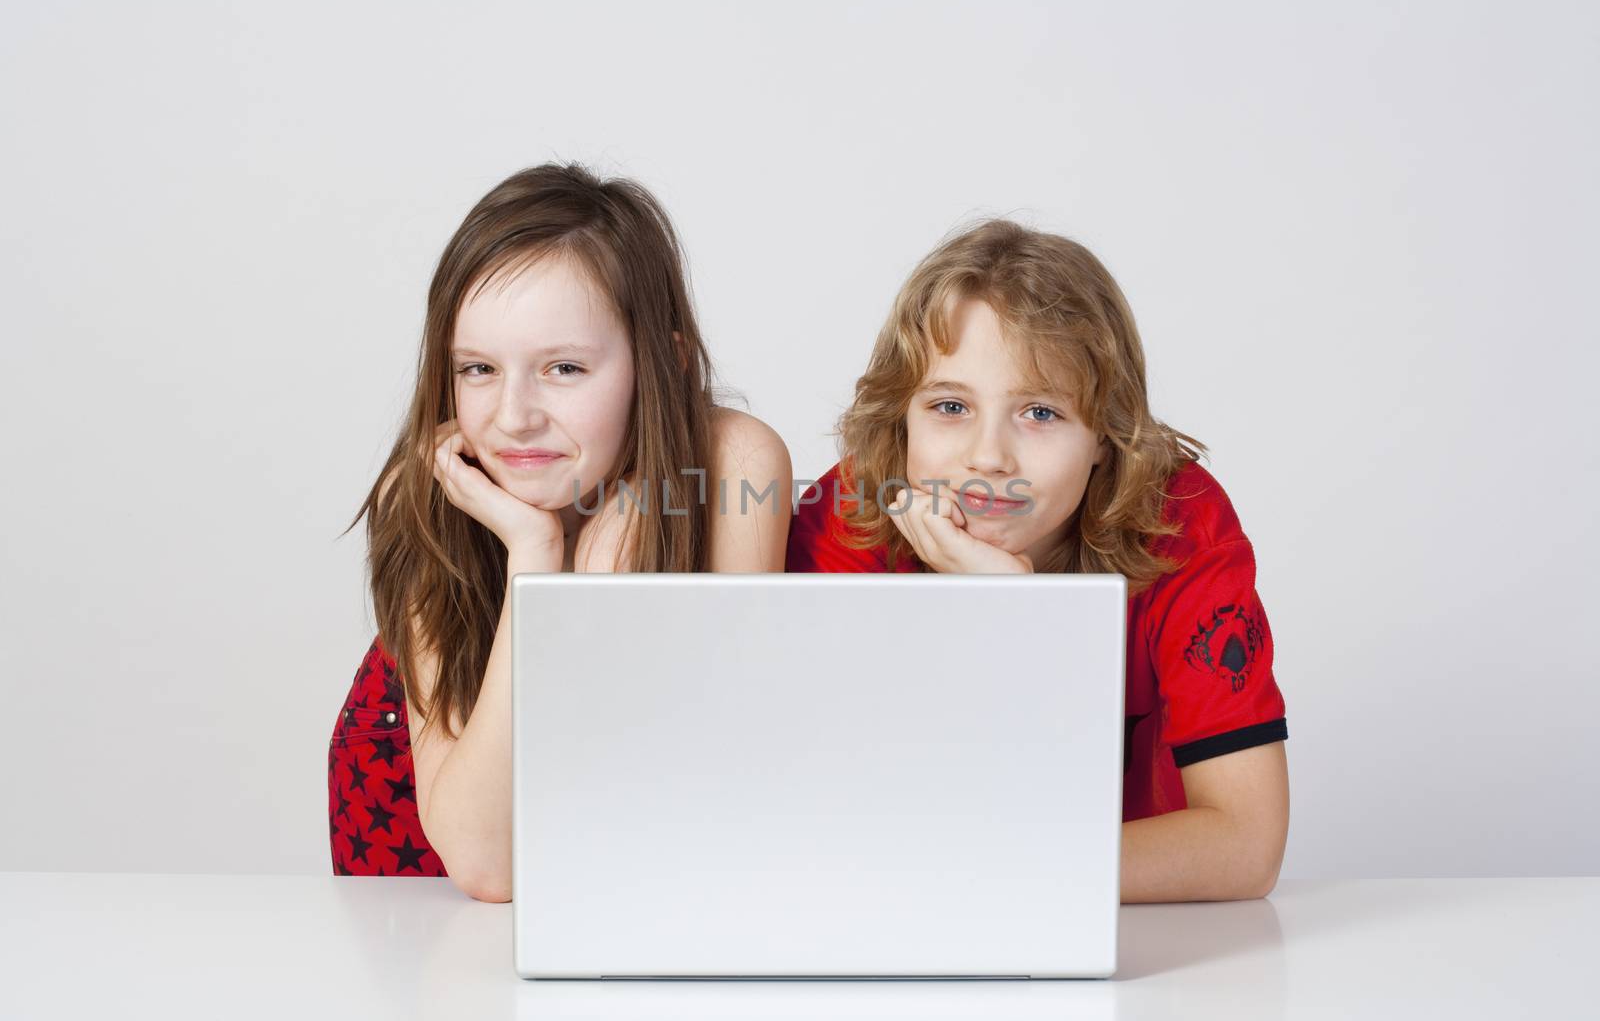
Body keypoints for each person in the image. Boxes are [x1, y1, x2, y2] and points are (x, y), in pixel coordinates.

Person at [787, 218, 1289, 903]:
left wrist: (1023, 614)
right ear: (900, 419)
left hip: (1138, 942)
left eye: (1041, 413)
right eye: (950, 405)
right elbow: (841, 825)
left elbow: (1246, 844)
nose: (988, 456)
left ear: (1105, 438)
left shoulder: (1181, 521)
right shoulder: (848, 516)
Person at [330, 163, 792, 900]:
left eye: (564, 368)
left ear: (662, 365)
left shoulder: (734, 464)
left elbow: (713, 796)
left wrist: (609, 576)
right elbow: (488, 867)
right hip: (422, 895)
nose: (513, 415)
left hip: (632, 895)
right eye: (478, 368)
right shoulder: (431, 492)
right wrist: (535, 558)